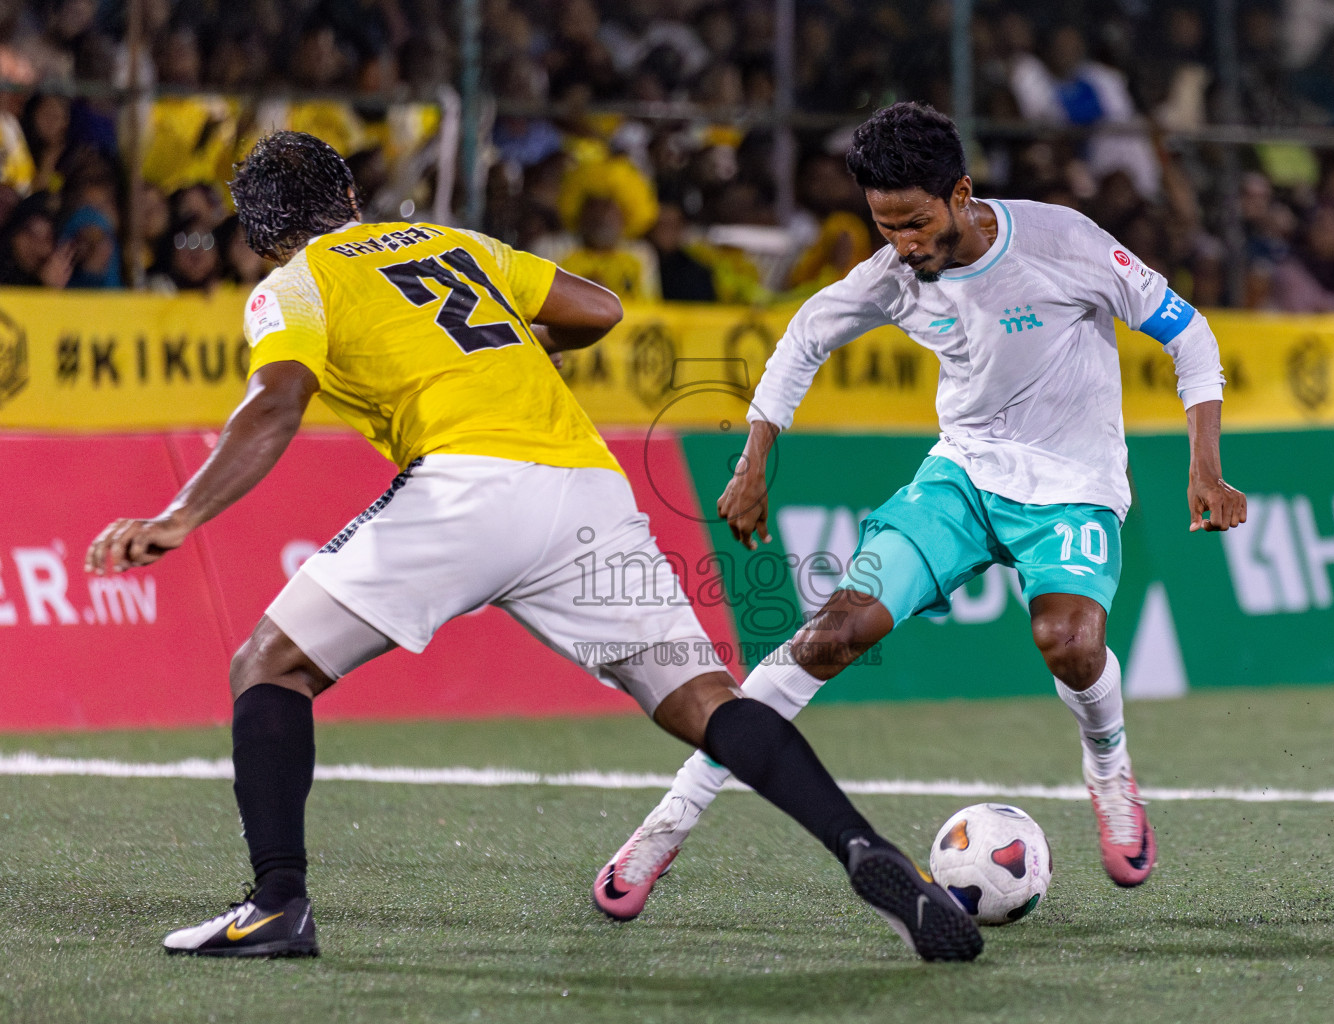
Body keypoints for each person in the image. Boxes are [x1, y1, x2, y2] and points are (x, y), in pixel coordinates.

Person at [83, 131, 981, 964]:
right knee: (708, 701)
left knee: (268, 667)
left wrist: (178, 517)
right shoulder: (445, 241)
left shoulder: (292, 287)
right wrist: (514, 346)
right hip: (583, 488)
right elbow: (599, 307)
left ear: (261, 232)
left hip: (465, 491)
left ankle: (278, 903)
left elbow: (275, 404)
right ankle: (865, 846)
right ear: (351, 191)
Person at [594, 103, 1247, 920]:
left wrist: (1206, 468)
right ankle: (665, 827)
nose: (902, 244)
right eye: (885, 225)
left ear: (962, 194)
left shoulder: (1062, 242)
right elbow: (803, 337)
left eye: (914, 222)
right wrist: (755, 456)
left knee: (1071, 645)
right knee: (829, 635)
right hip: (960, 481)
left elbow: (1187, 333)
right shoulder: (893, 275)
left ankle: (1109, 768)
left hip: (1072, 484)